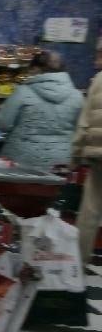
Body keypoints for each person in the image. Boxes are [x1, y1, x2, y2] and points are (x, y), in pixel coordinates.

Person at [0, 51, 82, 171]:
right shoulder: (77, 96)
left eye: (30, 69)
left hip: (22, 157)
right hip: (61, 160)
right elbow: (81, 130)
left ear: (36, 69)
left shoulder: (22, 92)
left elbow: (3, 124)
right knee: (56, 184)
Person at [73, 69, 102, 265]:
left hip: (98, 157)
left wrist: (76, 154)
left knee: (89, 213)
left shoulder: (99, 79)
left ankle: (78, 265)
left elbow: (83, 124)